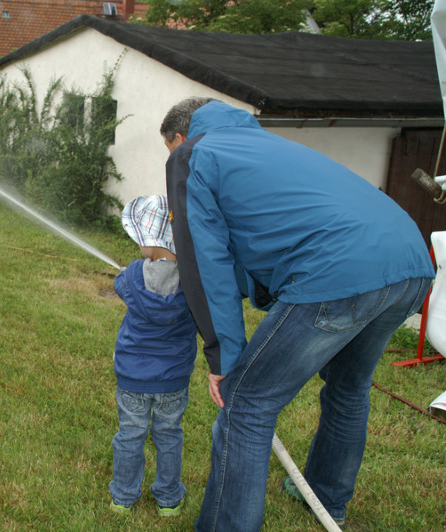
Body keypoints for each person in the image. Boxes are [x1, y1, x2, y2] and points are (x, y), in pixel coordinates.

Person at [160, 98, 435, 531]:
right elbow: (263, 242)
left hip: (339, 271)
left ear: (180, 139)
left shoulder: (193, 155)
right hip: (411, 264)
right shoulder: (267, 146)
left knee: (247, 402)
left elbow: (204, 260)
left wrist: (224, 357)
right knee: (348, 387)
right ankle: (327, 497)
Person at [109, 194, 198, 517]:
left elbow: (121, 284)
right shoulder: (193, 280)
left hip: (133, 378)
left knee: (130, 435)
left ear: (150, 239)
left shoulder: (132, 275)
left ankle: (123, 496)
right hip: (172, 380)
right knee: (169, 435)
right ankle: (169, 499)